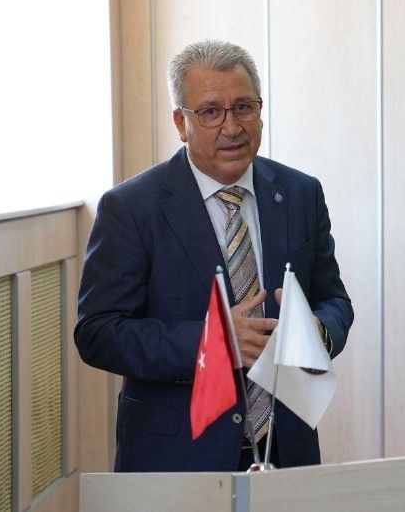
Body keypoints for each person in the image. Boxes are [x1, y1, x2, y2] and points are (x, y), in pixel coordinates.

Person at [75, 39, 353, 471]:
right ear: (180, 122)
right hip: (177, 456)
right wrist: (213, 343)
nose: (232, 127)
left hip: (286, 449)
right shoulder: (131, 208)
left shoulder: (301, 194)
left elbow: (334, 300)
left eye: (244, 107)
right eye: (210, 112)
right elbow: (98, 333)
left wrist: (316, 331)